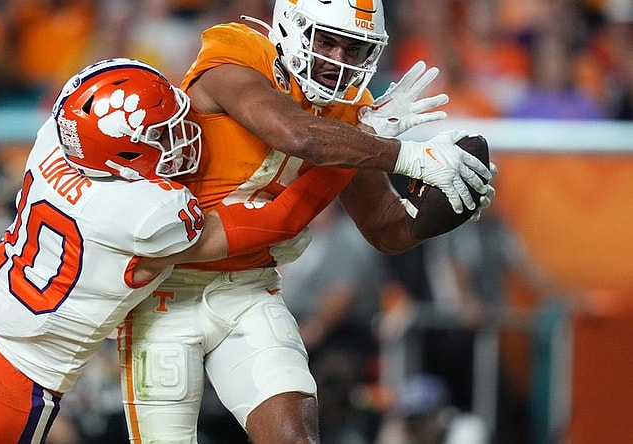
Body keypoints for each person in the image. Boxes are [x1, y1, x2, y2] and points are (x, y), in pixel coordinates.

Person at [0, 57, 341, 444]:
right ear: (124, 153)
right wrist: (350, 156)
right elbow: (278, 221)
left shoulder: (53, 143)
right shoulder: (152, 213)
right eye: (163, 133)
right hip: (10, 392)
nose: (183, 136)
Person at [117, 0, 497, 443]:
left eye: (354, 49)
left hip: (249, 288)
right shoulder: (236, 50)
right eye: (328, 42)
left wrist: (447, 203)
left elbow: (386, 228)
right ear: (291, 28)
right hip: (165, 285)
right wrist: (410, 155)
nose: (338, 61)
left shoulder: (353, 109)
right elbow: (293, 133)